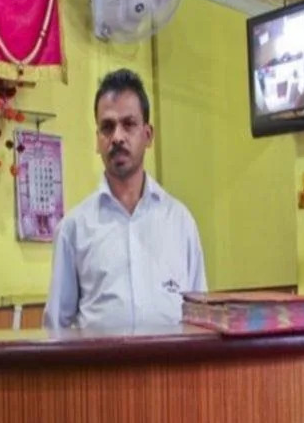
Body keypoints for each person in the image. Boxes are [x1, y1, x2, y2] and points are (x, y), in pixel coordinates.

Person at [43, 68, 207, 330]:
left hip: (169, 360)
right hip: (98, 360)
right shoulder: (74, 229)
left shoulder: (180, 222)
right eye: (107, 127)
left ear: (148, 135)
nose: (117, 137)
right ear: (98, 140)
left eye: (128, 124)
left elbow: (200, 320)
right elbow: (56, 328)